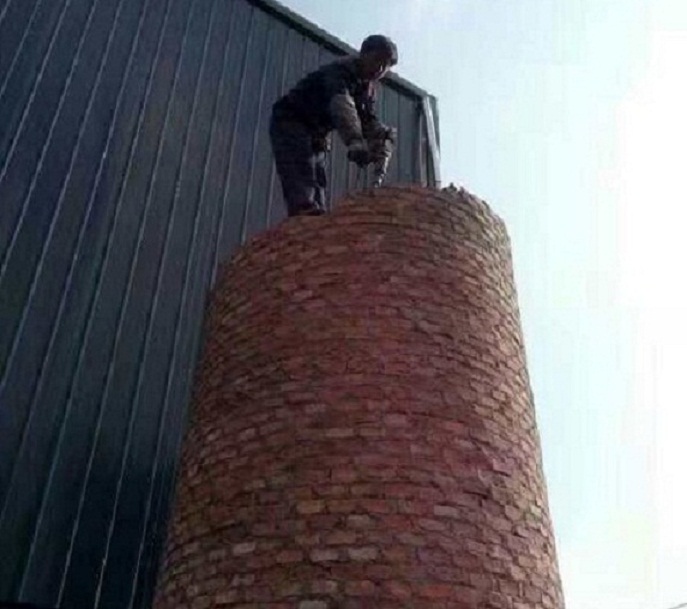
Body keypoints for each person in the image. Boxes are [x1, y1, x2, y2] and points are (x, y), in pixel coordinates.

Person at [269, 35, 398, 217]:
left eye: (386, 66)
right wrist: (355, 140)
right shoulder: (340, 72)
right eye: (377, 60)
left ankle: (316, 221)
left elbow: (366, 119)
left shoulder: (366, 90)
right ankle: (303, 214)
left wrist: (381, 137)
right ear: (364, 54)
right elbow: (341, 104)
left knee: (318, 182)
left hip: (316, 133)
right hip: (291, 120)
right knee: (301, 172)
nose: (380, 69)